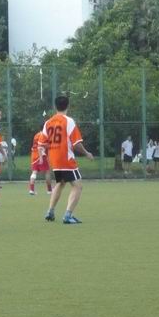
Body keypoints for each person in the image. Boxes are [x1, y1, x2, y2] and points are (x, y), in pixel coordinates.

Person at [39, 96, 94, 224]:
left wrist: (49, 150)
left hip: (54, 159)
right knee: (78, 186)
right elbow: (76, 144)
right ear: (68, 106)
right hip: (66, 158)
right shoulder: (69, 121)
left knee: (61, 183)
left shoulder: (48, 122)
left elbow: (42, 144)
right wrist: (87, 153)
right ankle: (68, 215)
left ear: (55, 106)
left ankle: (50, 212)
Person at [29, 129, 52, 195]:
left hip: (34, 155)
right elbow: (40, 147)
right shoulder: (44, 135)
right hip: (41, 154)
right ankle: (49, 190)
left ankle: (31, 190)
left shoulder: (36, 135)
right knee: (47, 172)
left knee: (34, 172)